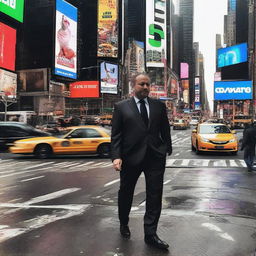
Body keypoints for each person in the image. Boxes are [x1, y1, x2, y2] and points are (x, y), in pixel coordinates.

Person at [111, 73, 172, 250]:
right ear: (133, 86)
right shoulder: (121, 107)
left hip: (154, 157)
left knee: (154, 195)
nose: (145, 87)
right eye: (141, 84)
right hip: (130, 158)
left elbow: (165, 129)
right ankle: (124, 222)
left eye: (147, 84)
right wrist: (116, 156)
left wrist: (166, 148)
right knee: (126, 193)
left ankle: (151, 234)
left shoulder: (158, 106)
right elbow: (116, 135)